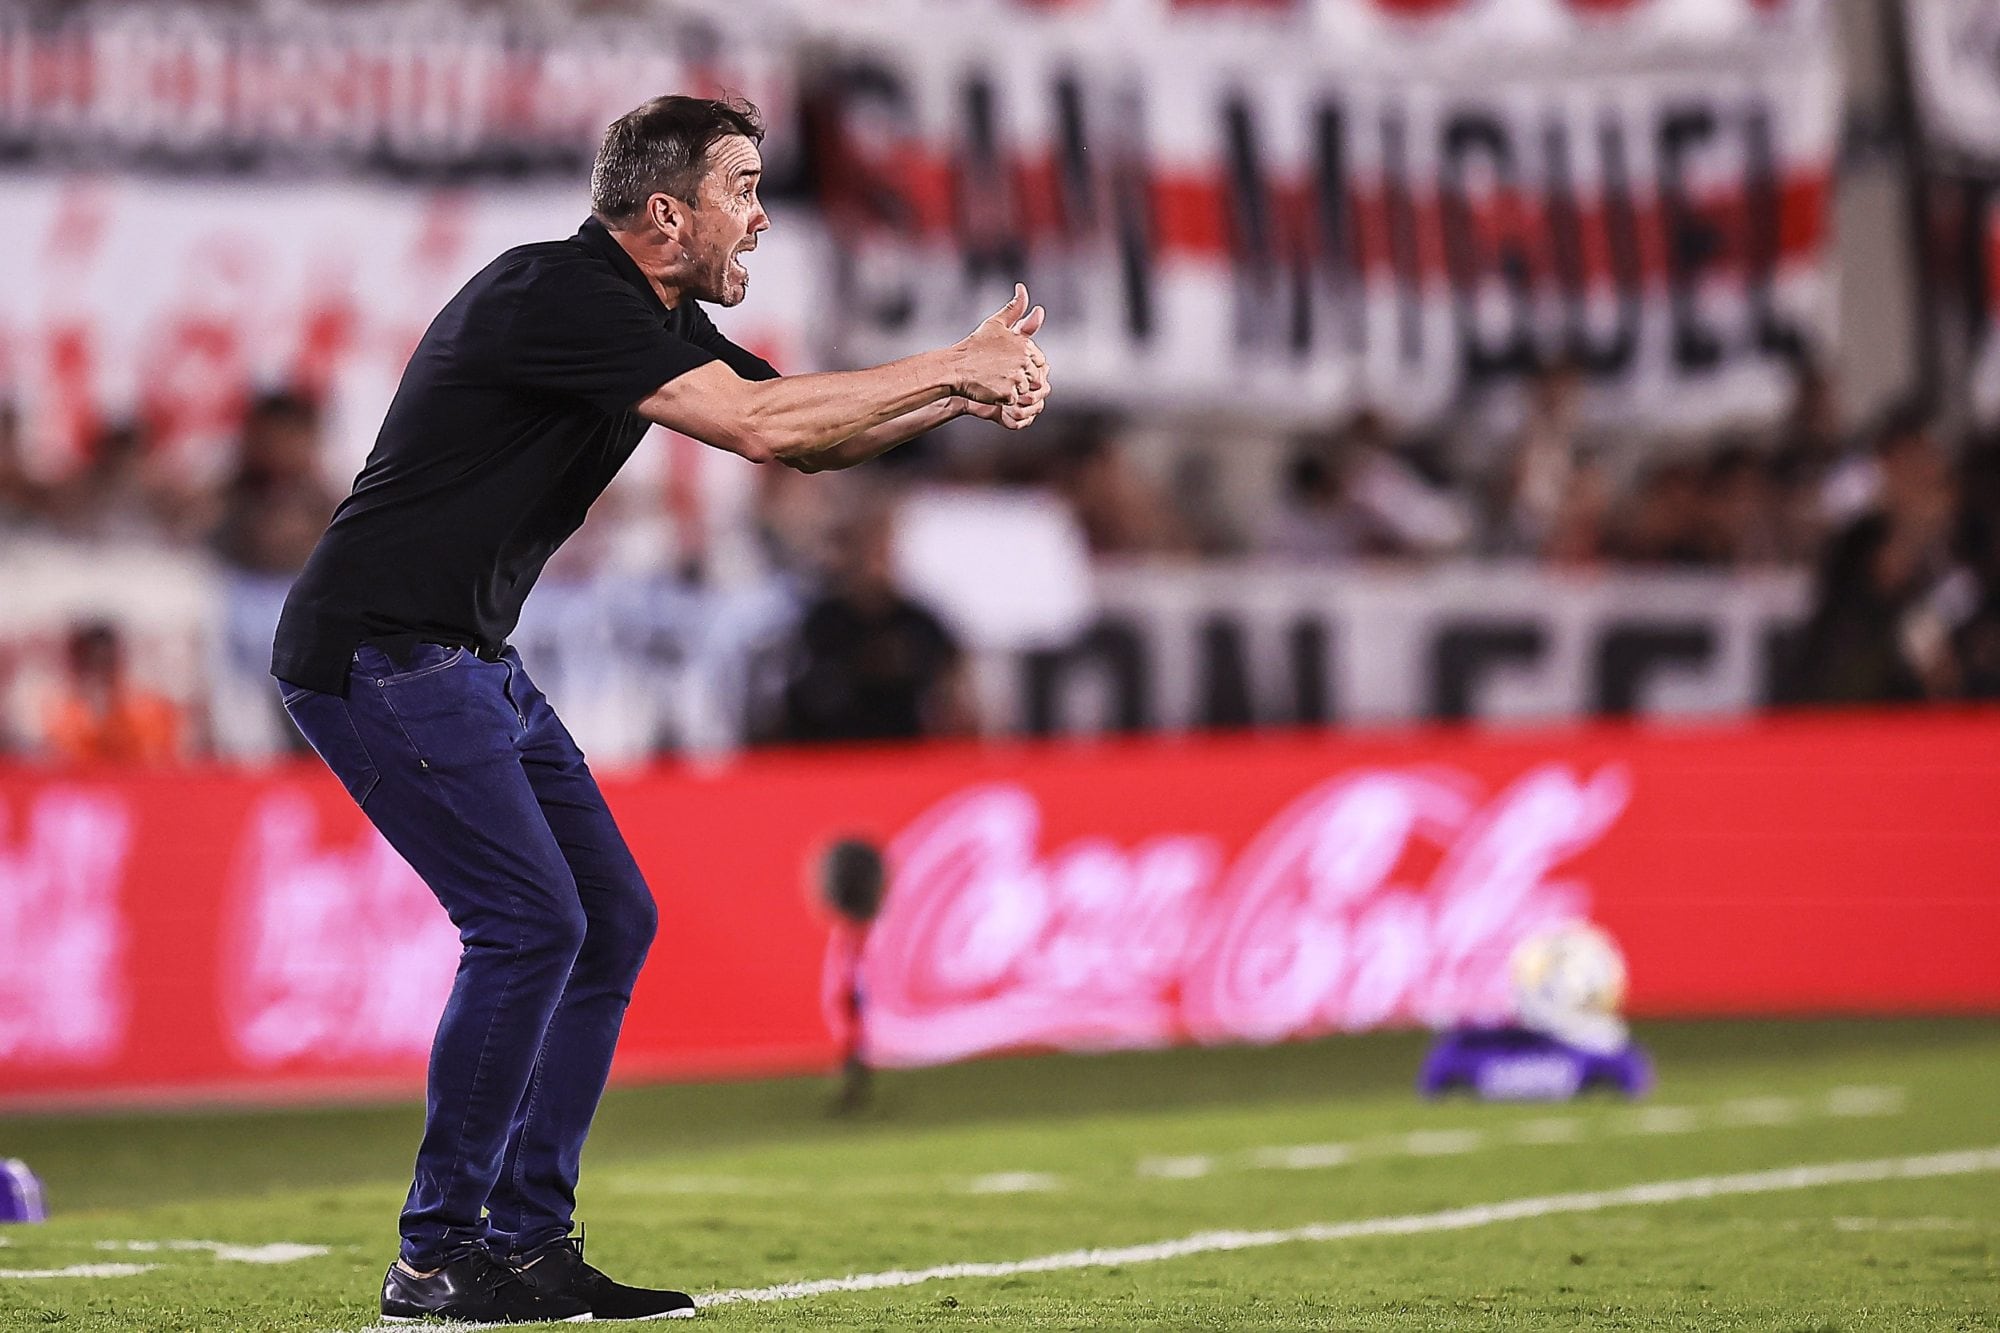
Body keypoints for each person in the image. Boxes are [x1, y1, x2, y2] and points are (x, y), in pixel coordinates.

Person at [270, 95, 1051, 1325]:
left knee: (608, 918)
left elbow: (803, 442)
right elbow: (758, 420)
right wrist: (952, 362)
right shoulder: (560, 293)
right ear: (666, 211)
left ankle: (527, 1241)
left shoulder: (644, 312)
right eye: (743, 187)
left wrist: (951, 399)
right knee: (528, 923)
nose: (760, 216)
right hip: (380, 655)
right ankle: (434, 1254)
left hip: (463, 656)